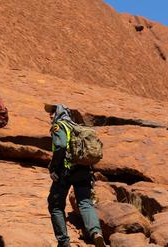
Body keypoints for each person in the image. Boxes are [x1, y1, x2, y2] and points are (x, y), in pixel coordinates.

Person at [45, 103, 106, 247]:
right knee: (85, 203)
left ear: (59, 113)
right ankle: (96, 232)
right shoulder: (76, 127)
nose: (50, 115)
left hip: (65, 172)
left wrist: (53, 167)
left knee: (55, 205)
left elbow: (60, 146)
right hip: (83, 171)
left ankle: (63, 242)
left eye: (53, 112)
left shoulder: (59, 126)